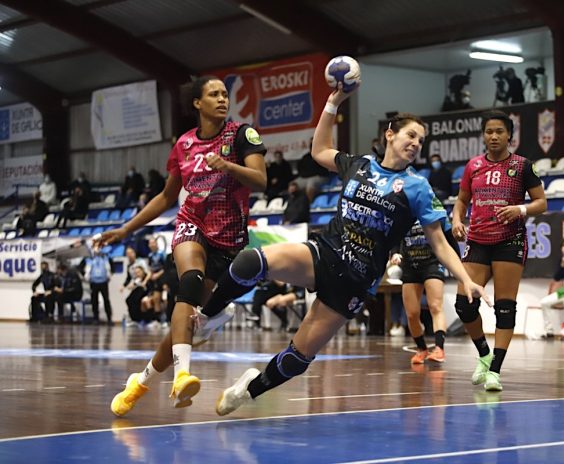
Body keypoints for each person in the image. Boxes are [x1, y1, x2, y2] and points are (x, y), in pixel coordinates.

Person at [195, 84, 488, 416]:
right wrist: (333, 101)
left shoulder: (418, 187)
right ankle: (208, 316)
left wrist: (465, 278)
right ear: (389, 135)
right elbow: (319, 150)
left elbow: (439, 242)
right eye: (410, 135)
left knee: (297, 358)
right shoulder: (359, 165)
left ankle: (248, 390)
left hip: (355, 282)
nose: (416, 143)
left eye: (421, 140)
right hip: (325, 253)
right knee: (251, 261)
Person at [98, 75, 267, 417]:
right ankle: (182, 376)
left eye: (225, 94)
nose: (223, 99)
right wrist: (126, 229)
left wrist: (228, 165)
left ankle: (139, 383)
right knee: (189, 282)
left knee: (187, 323)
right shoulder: (184, 145)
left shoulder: (241, 135)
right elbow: (166, 197)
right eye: (214, 94)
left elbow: (261, 181)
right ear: (197, 103)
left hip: (229, 240)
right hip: (193, 223)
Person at [451, 110, 546, 391]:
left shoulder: (522, 166)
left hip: (509, 241)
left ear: (509, 136)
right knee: (464, 305)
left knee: (505, 308)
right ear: (483, 135)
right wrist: (457, 220)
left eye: (499, 131)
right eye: (489, 131)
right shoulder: (473, 166)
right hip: (478, 241)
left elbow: (541, 202)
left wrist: (520, 209)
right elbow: (462, 200)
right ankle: (484, 354)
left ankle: (495, 371)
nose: (493, 136)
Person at [389, 220, 449, 364]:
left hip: (432, 263)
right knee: (411, 314)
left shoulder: (435, 211)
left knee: (435, 306)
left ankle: (439, 348)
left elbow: (448, 237)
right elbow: (394, 235)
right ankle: (421, 348)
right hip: (410, 265)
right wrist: (394, 253)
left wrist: (458, 262)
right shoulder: (403, 213)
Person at [539, 237, 564, 338]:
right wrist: (562, 265)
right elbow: (557, 278)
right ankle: (549, 330)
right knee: (544, 302)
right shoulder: (562, 260)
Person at [84, 242, 113, 324]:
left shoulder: (105, 257)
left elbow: (110, 268)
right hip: (93, 282)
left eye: (99, 247)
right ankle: (95, 318)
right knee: (94, 301)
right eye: (95, 247)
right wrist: (86, 276)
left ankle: (109, 318)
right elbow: (84, 269)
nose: (97, 249)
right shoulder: (89, 258)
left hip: (103, 282)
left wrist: (109, 276)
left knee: (106, 300)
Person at [295, 138, 331, 202]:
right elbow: (300, 170)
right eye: (311, 146)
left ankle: (309, 204)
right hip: (306, 177)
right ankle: (294, 203)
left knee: (311, 184)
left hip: (320, 177)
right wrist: (307, 174)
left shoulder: (322, 156)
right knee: (293, 184)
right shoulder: (305, 157)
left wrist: (310, 172)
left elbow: (322, 171)